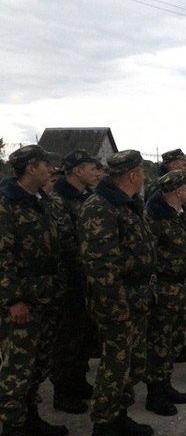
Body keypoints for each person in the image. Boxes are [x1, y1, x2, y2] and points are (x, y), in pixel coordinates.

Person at [79, 149, 157, 436]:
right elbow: (100, 264)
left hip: (136, 299)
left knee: (132, 365)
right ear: (133, 175)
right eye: (142, 173)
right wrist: (116, 305)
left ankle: (120, 415)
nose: (144, 178)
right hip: (118, 304)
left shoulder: (128, 204)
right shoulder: (101, 207)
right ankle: (103, 429)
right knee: (114, 367)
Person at [0, 145, 69, 436]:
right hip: (23, 299)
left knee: (38, 363)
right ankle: (9, 429)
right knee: (17, 367)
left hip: (46, 294)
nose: (50, 169)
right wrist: (13, 299)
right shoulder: (7, 204)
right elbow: (3, 257)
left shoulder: (41, 200)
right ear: (30, 168)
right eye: (45, 164)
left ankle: (30, 417)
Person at [144, 170, 186, 415]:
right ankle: (155, 393)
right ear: (178, 191)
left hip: (182, 288)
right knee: (160, 343)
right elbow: (150, 256)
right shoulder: (155, 219)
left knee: (175, 341)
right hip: (166, 289)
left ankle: (165, 384)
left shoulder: (180, 214)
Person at [48, 149, 100, 415]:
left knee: (84, 335)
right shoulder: (58, 200)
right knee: (67, 338)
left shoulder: (87, 197)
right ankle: (62, 392)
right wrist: (85, 270)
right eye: (92, 167)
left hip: (87, 278)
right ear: (78, 171)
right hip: (71, 280)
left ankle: (78, 381)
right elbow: (66, 243)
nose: (95, 172)